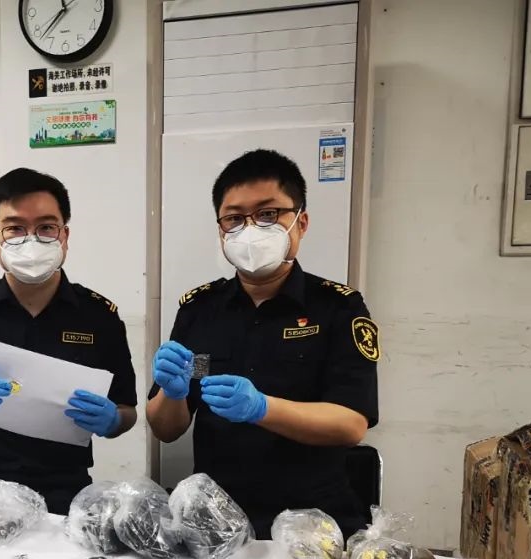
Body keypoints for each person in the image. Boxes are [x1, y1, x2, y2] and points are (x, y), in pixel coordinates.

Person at [146, 149, 379, 538]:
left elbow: (351, 424)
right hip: (214, 521)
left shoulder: (338, 307)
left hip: (312, 522)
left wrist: (262, 408)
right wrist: (172, 393)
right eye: (235, 218)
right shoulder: (200, 310)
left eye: (268, 214)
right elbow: (167, 429)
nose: (251, 229)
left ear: (301, 222)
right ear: (222, 230)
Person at [0, 168, 137, 514]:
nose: (31, 241)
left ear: (65, 235)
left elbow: (127, 411)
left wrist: (113, 421)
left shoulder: (99, 316)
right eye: (15, 228)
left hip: (65, 495)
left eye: (46, 227)